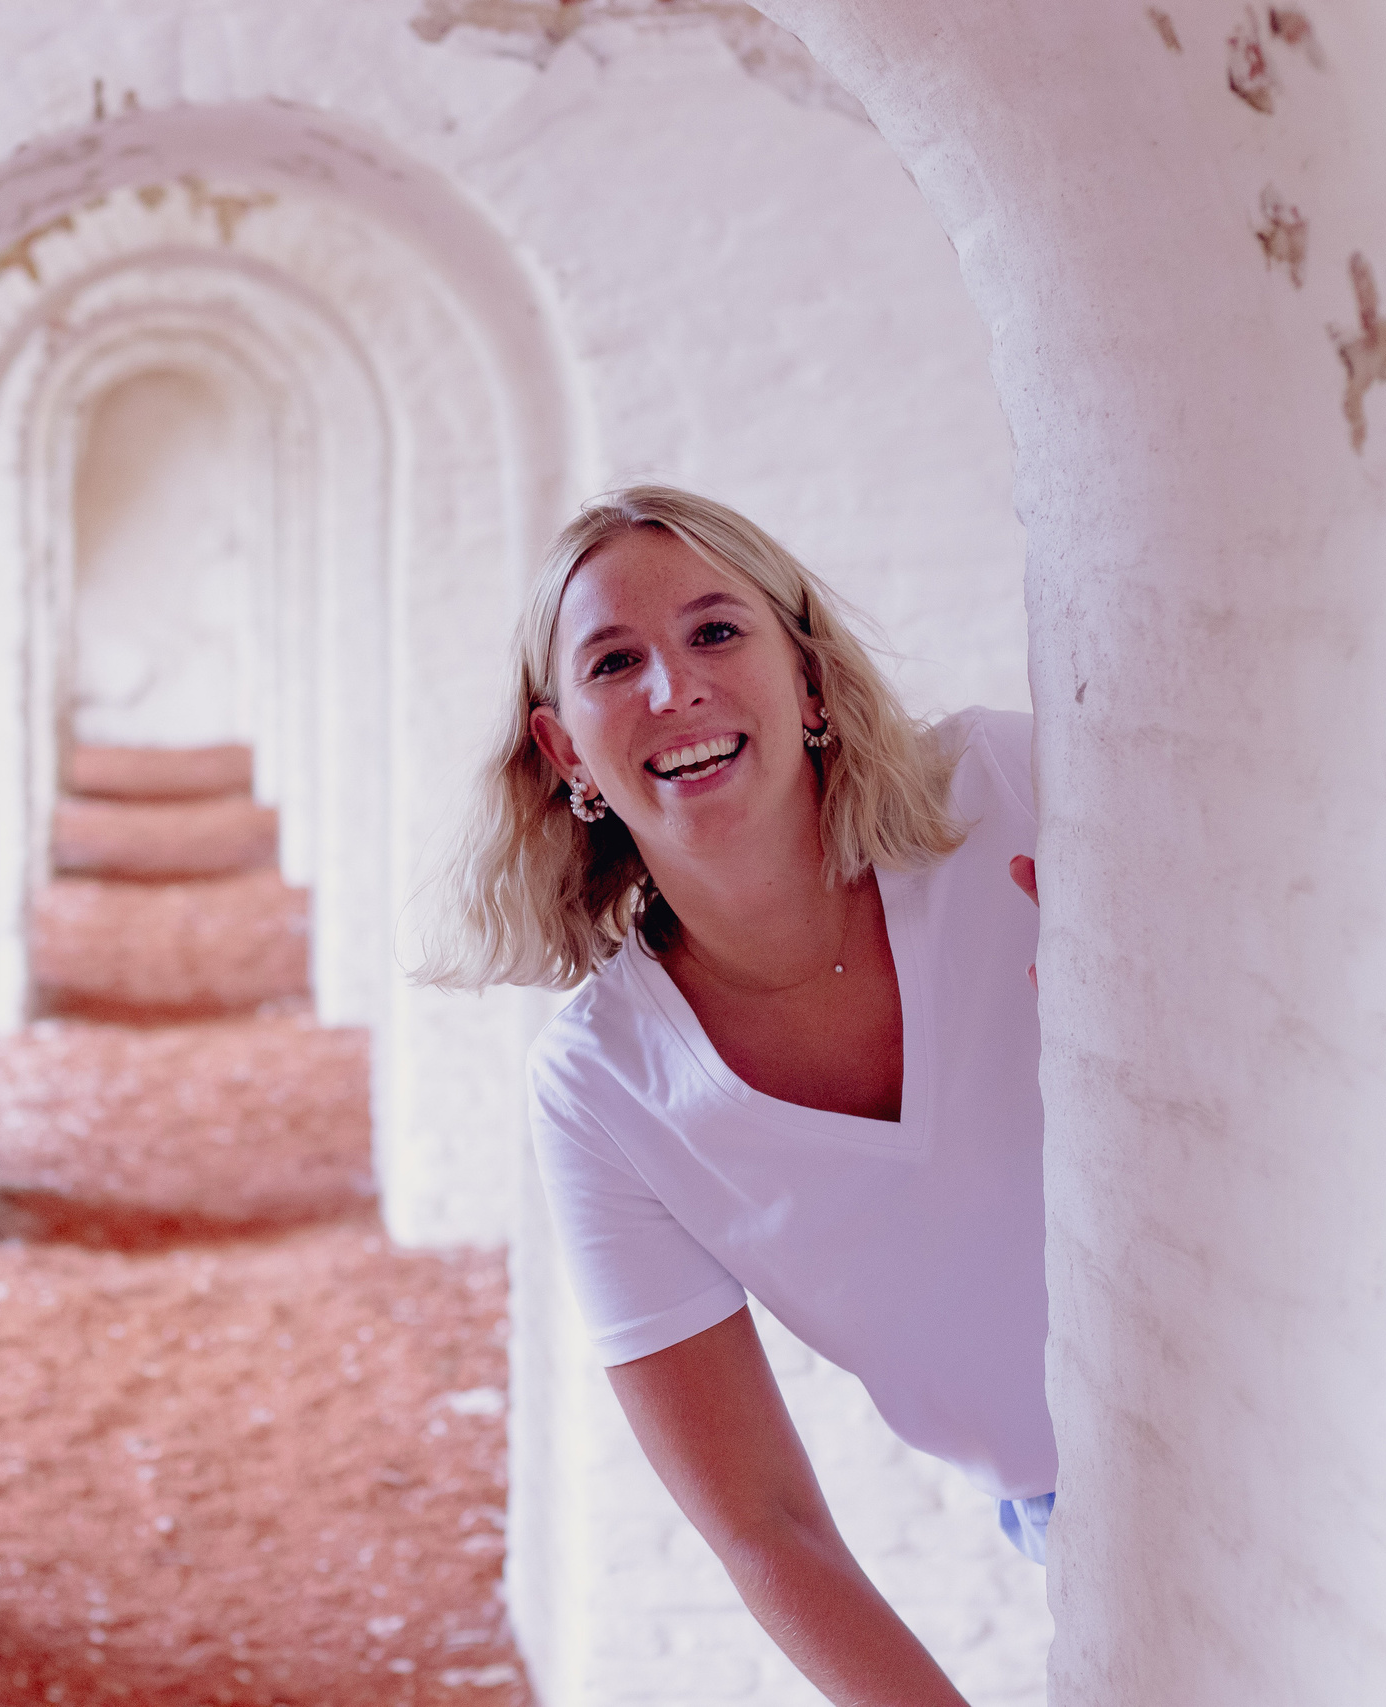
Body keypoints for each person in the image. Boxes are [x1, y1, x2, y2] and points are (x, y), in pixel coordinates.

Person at [422, 486, 1046, 1704]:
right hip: (1101, 1530)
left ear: (805, 678)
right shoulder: (604, 1091)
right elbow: (765, 1525)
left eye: (717, 633)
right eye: (615, 662)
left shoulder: (1012, 792)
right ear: (564, 753)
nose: (674, 689)